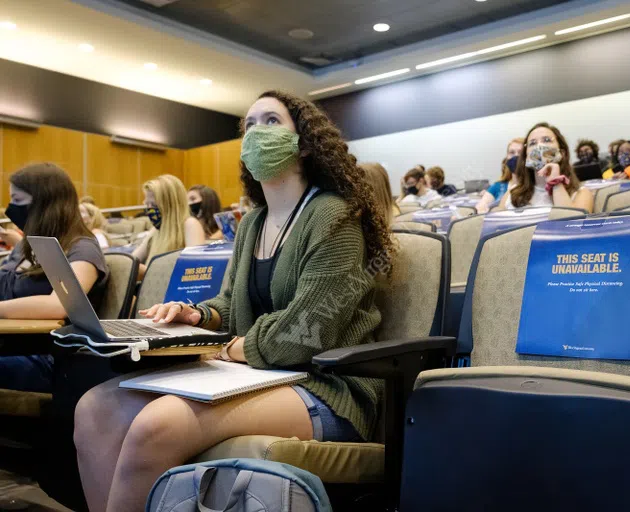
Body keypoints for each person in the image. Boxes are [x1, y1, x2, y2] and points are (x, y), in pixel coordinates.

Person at [73, 90, 395, 512]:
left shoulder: (333, 217)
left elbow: (306, 333)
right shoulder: (252, 224)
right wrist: (199, 314)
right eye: (250, 125)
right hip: (254, 372)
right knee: (95, 409)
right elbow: (232, 302)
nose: (256, 133)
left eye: (272, 122)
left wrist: (230, 347)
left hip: (328, 387)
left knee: (156, 426)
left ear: (305, 141)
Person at [0, 163, 108, 393]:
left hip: (44, 356)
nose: (10, 209)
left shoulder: (82, 248)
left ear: (44, 203)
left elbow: (60, 304)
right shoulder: (27, 245)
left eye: (18, 200)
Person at [499, 123, 593, 212]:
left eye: (547, 140)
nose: (539, 146)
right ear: (526, 157)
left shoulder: (581, 193)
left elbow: (572, 225)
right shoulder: (512, 193)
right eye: (532, 143)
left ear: (562, 153)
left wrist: (556, 183)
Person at [132, 174, 206, 279]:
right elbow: (132, 261)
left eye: (153, 205)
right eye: (147, 204)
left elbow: (195, 270)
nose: (149, 210)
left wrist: (147, 273)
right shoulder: (156, 230)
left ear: (170, 204)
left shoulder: (190, 224)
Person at [476, 138, 524, 214]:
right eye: (512, 152)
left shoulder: (537, 186)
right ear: (506, 158)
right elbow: (480, 207)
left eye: (521, 152)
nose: (516, 156)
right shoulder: (498, 186)